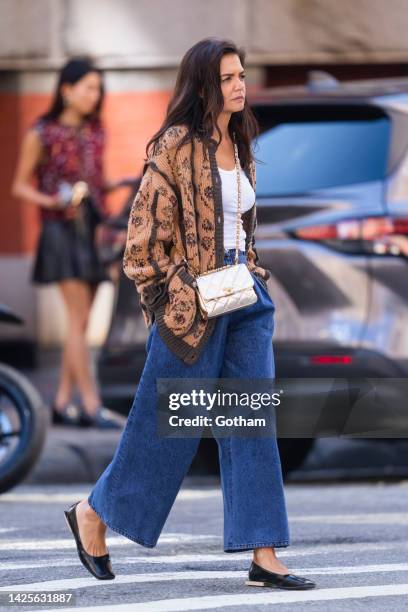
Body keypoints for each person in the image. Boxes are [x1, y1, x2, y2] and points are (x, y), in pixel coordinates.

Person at [63, 39, 317, 590]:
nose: (239, 85)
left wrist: (250, 268)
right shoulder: (174, 146)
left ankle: (264, 552)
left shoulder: (240, 139)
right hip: (192, 311)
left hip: (245, 300)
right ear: (203, 84)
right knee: (167, 429)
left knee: (251, 425)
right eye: (228, 77)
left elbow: (241, 223)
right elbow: (140, 245)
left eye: (242, 75)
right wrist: (176, 296)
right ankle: (93, 514)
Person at [11, 57, 126, 429]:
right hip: (61, 232)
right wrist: (55, 201)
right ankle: (91, 405)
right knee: (78, 320)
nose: (95, 95)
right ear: (66, 90)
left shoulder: (96, 131)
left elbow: (95, 180)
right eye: (88, 87)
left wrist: (118, 187)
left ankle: (61, 403)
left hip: (93, 230)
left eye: (98, 89)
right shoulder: (41, 132)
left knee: (82, 320)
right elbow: (19, 185)